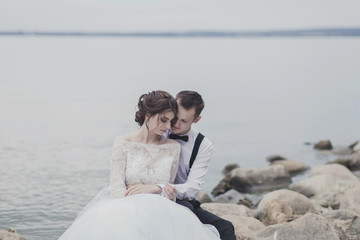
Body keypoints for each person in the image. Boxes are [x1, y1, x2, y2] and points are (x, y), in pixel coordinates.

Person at [58, 90, 220, 240]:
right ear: (148, 115)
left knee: (222, 228)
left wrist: (163, 191)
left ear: (196, 120)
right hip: (126, 203)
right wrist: (137, 203)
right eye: (167, 120)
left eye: (177, 121)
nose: (170, 126)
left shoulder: (177, 146)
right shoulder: (123, 142)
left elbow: (186, 188)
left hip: (164, 205)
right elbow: (116, 187)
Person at [161, 91, 237, 240]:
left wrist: (170, 191)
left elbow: (193, 187)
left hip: (182, 199)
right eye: (175, 117)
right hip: (153, 197)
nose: (176, 124)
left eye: (184, 121)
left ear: (196, 119)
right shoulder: (160, 130)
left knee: (225, 227)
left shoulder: (203, 145)